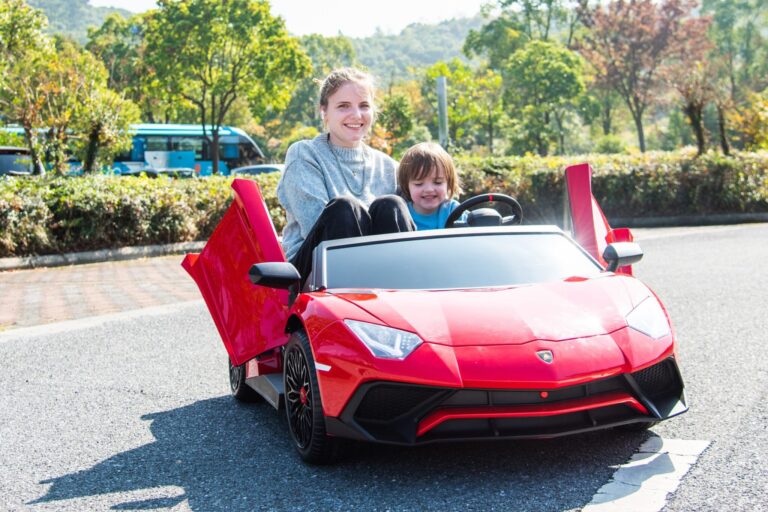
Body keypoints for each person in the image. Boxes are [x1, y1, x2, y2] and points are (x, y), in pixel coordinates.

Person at [277, 67, 415, 281]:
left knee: (392, 205)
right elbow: (315, 224)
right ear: (324, 111)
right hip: (313, 272)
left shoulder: (388, 166)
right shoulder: (304, 154)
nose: (356, 115)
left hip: (383, 273)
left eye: (364, 106)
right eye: (343, 106)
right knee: (344, 207)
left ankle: (404, 292)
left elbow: (417, 220)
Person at [397, 142, 461, 230]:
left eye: (438, 182)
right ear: (406, 185)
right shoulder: (402, 215)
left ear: (449, 182)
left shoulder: (453, 211)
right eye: (418, 184)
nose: (429, 189)